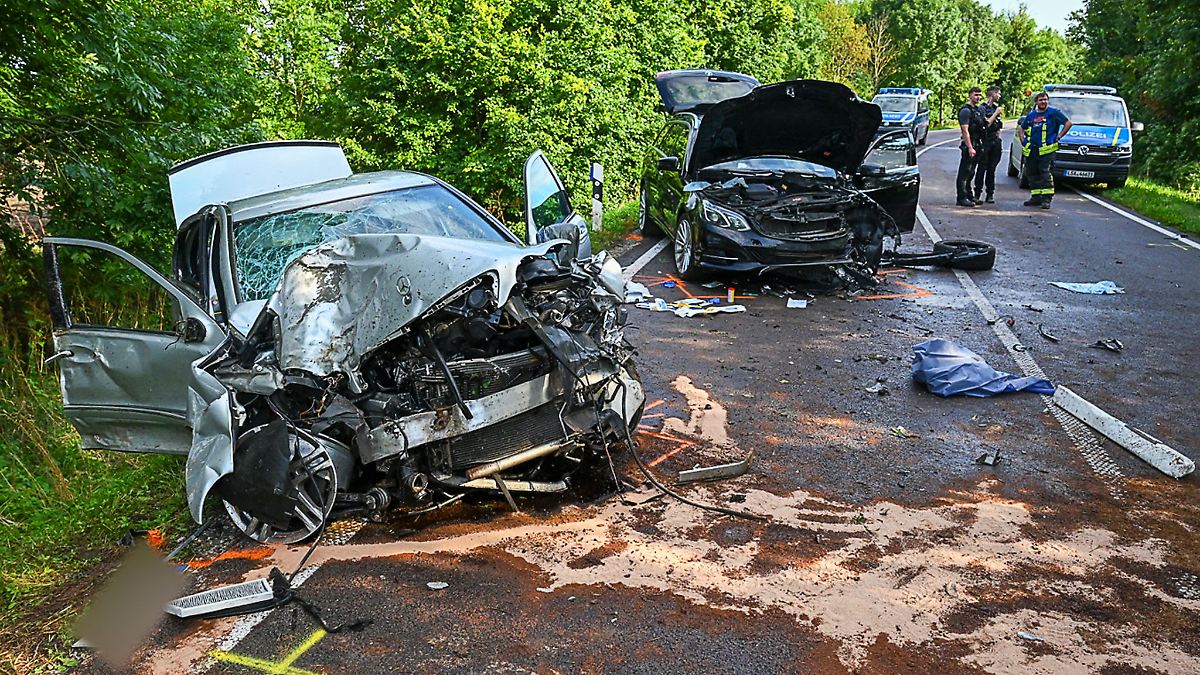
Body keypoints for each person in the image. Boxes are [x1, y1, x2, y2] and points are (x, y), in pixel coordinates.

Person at [1017, 91, 1072, 209]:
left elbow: (1068, 123)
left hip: (1047, 151)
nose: (1043, 102)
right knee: (1032, 174)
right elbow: (1021, 128)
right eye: (1041, 100)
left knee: (1045, 174)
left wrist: (1059, 136)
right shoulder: (1031, 115)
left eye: (1045, 99)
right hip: (1033, 150)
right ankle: (1036, 197)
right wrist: (1023, 141)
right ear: (1036, 102)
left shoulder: (1054, 113)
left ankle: (1046, 199)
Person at [955, 87, 986, 208]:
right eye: (975, 95)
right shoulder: (965, 111)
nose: (978, 97)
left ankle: (969, 195)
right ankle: (961, 197)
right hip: (970, 144)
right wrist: (970, 147)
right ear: (969, 96)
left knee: (971, 172)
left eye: (979, 95)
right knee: (965, 172)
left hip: (978, 143)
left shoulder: (978, 110)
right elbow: (965, 130)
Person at [972, 86, 1004, 204]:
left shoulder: (996, 108)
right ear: (992, 94)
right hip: (985, 141)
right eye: (998, 94)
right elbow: (987, 124)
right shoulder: (982, 109)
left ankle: (990, 194)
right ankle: (977, 194)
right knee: (982, 168)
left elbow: (998, 125)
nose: (999, 96)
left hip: (995, 142)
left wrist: (998, 138)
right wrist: (995, 113)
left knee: (992, 169)